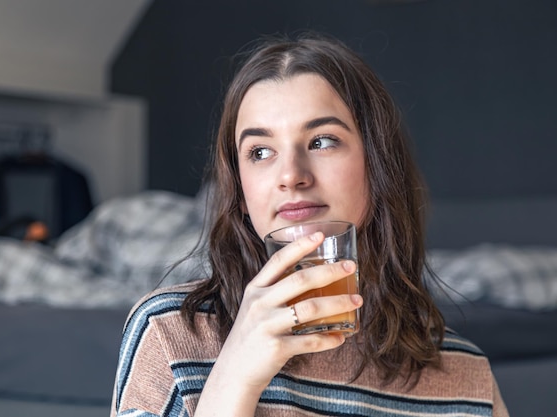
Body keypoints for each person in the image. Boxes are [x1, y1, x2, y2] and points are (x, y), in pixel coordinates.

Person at [111, 33, 508, 417]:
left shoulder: (465, 376)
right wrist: (235, 375)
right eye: (260, 151)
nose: (291, 175)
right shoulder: (168, 332)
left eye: (321, 141)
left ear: (378, 163)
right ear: (241, 191)